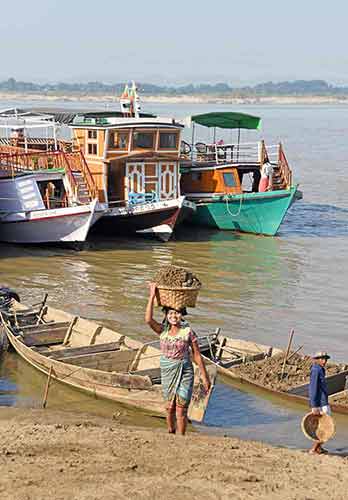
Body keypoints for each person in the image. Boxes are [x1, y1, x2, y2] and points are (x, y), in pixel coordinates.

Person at [145, 283, 210, 435]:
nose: (174, 317)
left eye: (177, 314)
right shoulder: (162, 330)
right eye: (171, 314)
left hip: (185, 370)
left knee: (181, 407)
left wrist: (205, 377)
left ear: (182, 315)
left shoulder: (188, 332)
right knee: (169, 408)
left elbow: (196, 355)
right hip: (168, 370)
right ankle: (171, 431)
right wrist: (152, 295)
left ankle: (181, 438)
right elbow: (148, 319)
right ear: (166, 316)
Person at [308, 351, 331, 454]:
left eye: (325, 359)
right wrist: (314, 406)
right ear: (317, 360)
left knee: (324, 425)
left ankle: (318, 447)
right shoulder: (316, 370)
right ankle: (314, 448)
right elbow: (313, 388)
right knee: (326, 426)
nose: (324, 361)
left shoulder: (320, 369)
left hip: (323, 401)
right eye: (322, 359)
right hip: (320, 403)